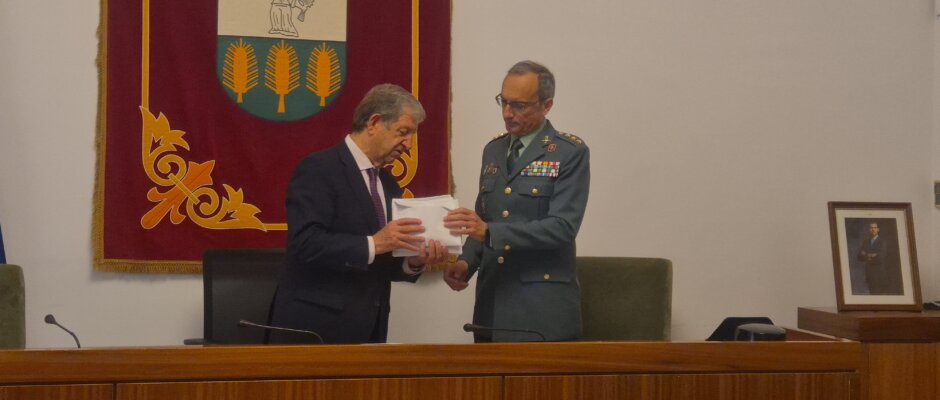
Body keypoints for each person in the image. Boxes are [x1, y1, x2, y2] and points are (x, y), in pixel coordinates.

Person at [269, 84, 448, 344]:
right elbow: (305, 244)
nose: (409, 145)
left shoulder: (388, 184)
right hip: (314, 331)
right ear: (374, 123)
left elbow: (380, 264)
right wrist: (374, 243)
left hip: (370, 331)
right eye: (403, 132)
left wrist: (414, 260)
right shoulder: (319, 169)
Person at [443, 61, 590, 342]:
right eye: (504, 101)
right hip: (492, 301)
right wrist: (465, 263)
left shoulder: (568, 152)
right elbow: (484, 219)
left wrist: (490, 232)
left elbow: (562, 228)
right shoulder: (494, 150)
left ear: (547, 105)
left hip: (540, 308)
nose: (507, 113)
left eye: (519, 105)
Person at [856, 222, 901, 295]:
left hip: (879, 274)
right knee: (872, 294)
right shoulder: (865, 242)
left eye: (875, 228)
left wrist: (866, 254)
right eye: (871, 228)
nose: (873, 229)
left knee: (879, 295)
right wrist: (872, 255)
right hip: (869, 274)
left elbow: (881, 257)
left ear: (878, 229)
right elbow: (859, 257)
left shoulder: (882, 242)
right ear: (869, 230)